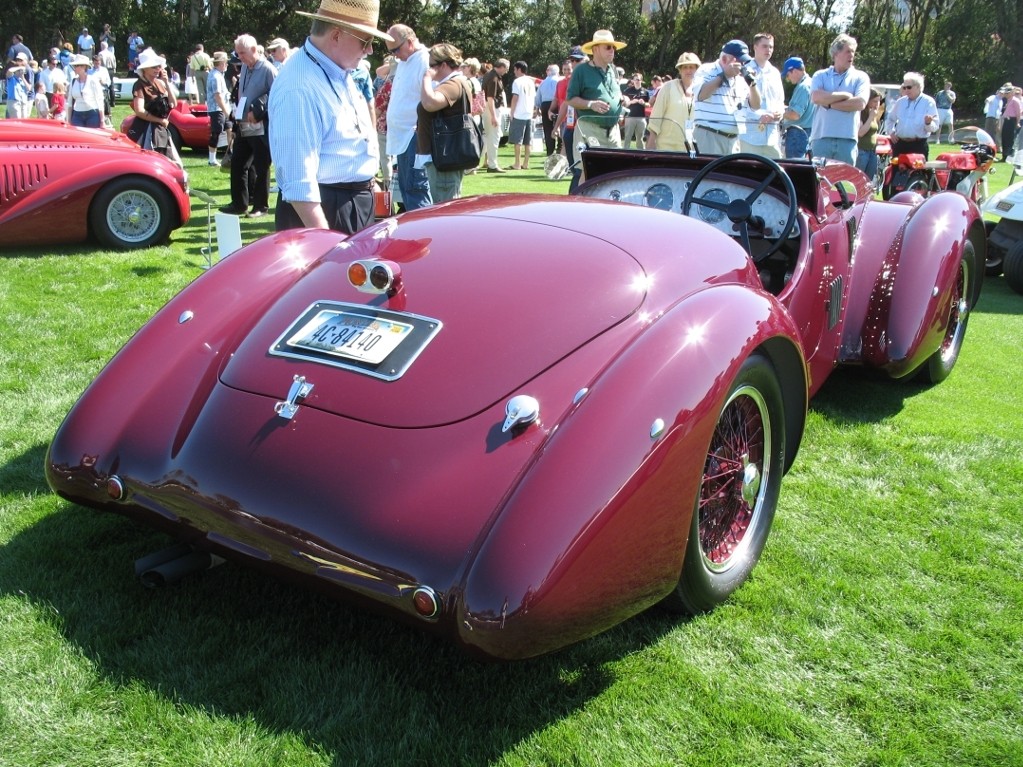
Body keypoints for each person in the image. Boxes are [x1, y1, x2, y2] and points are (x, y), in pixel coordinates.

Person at [268, 0, 388, 232]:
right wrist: (326, 245)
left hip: (345, 206)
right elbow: (298, 183)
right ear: (335, 35)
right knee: (330, 270)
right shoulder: (300, 87)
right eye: (366, 41)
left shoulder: (336, 71)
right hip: (324, 215)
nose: (370, 50)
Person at [221, 34, 276, 217]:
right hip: (243, 124)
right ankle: (239, 204)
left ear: (254, 49)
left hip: (260, 126)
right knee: (238, 164)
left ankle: (261, 207)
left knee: (261, 167)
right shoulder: (244, 67)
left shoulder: (268, 69)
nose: (240, 57)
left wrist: (260, 111)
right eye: (238, 53)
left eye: (242, 53)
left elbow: (277, 96)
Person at [417, 42, 473, 202]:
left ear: (443, 65)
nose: (429, 69)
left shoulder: (453, 84)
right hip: (444, 158)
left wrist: (427, 78)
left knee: (444, 210)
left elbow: (429, 103)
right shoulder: (453, 83)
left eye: (431, 65)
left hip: (444, 159)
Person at [385, 24, 432, 209]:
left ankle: (425, 236)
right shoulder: (405, 62)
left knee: (416, 193)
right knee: (407, 193)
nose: (395, 54)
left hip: (414, 137)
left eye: (396, 49)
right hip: (403, 139)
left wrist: (420, 128)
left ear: (410, 42)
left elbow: (432, 98)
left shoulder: (425, 60)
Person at [691, 39, 761, 155]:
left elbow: (756, 105)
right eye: (739, 61)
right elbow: (701, 95)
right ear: (724, 59)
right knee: (710, 173)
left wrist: (752, 84)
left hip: (733, 140)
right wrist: (724, 76)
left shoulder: (740, 78)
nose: (742, 65)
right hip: (710, 136)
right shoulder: (706, 69)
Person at [810, 34, 870, 165]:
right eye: (848, 51)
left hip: (847, 140)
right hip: (821, 138)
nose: (852, 55)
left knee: (845, 183)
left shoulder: (860, 77)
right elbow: (816, 97)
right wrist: (845, 95)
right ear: (836, 53)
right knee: (818, 182)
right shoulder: (820, 75)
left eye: (853, 51)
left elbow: (860, 103)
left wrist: (829, 104)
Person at [566, 29, 630, 151]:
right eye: (608, 47)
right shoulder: (581, 71)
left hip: (613, 133)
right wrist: (591, 104)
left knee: (617, 170)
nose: (612, 50)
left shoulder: (613, 69)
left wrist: (622, 99)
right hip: (590, 131)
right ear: (595, 49)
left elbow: (613, 92)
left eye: (613, 48)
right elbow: (570, 100)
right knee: (589, 169)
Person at [128, 49, 179, 162]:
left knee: (168, 161)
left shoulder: (160, 83)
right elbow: (139, 111)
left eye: (159, 67)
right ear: (145, 69)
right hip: (145, 129)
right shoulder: (139, 85)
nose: (158, 69)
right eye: (154, 67)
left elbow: (173, 104)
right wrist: (159, 120)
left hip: (160, 129)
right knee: (147, 161)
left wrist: (166, 82)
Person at [739, 33, 784, 158]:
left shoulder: (775, 73)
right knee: (748, 175)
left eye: (771, 47)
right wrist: (760, 115)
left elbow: (780, 100)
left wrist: (779, 113)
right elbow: (740, 103)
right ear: (755, 47)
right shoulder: (744, 70)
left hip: (772, 137)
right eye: (765, 46)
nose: (768, 50)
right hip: (750, 136)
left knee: (777, 173)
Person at [646, 52, 699, 152]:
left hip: (690, 150)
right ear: (680, 70)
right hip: (666, 148)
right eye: (685, 67)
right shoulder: (668, 87)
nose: (688, 70)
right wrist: (651, 145)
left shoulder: (701, 90)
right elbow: (656, 117)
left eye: (691, 67)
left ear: (696, 69)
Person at [552, 46, 586, 191]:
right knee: (576, 170)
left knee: (580, 171)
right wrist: (556, 126)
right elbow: (565, 104)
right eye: (572, 59)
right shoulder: (567, 81)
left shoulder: (589, 77)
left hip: (585, 131)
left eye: (577, 60)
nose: (574, 63)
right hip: (570, 128)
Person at [886, 72, 938, 159]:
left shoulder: (928, 102)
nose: (906, 90)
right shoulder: (900, 102)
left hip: (918, 145)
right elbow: (890, 119)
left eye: (909, 87)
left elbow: (934, 127)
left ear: (918, 86)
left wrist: (928, 123)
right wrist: (891, 132)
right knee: (896, 171)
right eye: (904, 87)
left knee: (917, 172)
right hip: (900, 144)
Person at [781, 57, 815, 159]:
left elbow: (795, 114)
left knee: (794, 167)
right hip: (806, 133)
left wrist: (778, 110)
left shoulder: (803, 87)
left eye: (788, 75)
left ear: (795, 71)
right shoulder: (811, 83)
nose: (788, 79)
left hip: (797, 134)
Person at [481, 57, 509, 172]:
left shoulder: (490, 75)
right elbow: (490, 98)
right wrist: (493, 116)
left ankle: (472, 164)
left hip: (489, 109)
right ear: (501, 67)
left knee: (487, 137)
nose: (507, 71)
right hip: (491, 109)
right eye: (506, 68)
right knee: (494, 137)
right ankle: (492, 165)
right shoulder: (494, 78)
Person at [508, 60, 536, 169]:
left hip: (519, 113)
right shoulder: (530, 82)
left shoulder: (517, 82)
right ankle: (526, 163)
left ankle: (517, 163)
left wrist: (512, 112)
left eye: (515, 69)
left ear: (519, 69)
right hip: (529, 113)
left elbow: (515, 97)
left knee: (517, 140)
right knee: (528, 141)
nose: (514, 72)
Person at [66, 54, 105, 127]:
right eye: (74, 66)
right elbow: (70, 102)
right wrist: (68, 120)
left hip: (92, 114)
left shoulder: (93, 80)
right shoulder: (73, 81)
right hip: (77, 115)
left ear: (84, 66)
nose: (75, 68)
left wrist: (102, 120)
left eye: (76, 66)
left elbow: (100, 100)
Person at [207, 51, 230, 166]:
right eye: (225, 62)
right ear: (221, 62)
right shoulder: (215, 76)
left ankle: (230, 154)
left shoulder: (218, 74)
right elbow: (218, 96)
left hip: (222, 107)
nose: (227, 64)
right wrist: (226, 111)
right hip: (217, 109)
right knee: (216, 133)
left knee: (230, 129)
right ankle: (212, 159)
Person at [855, 90, 883, 181]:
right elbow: (861, 133)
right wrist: (871, 117)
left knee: (868, 180)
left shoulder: (874, 113)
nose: (877, 104)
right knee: (859, 179)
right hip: (862, 151)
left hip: (872, 151)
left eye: (879, 101)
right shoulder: (861, 113)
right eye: (875, 101)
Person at [536, 63, 561, 155]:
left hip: (545, 104)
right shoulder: (559, 81)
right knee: (559, 126)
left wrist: (537, 107)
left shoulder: (543, 83)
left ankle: (550, 151)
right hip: (557, 104)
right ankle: (560, 148)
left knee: (547, 128)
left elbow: (538, 96)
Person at [622, 73, 649, 149]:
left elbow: (649, 104)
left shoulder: (645, 91)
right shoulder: (627, 91)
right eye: (635, 79)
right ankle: (625, 154)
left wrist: (643, 103)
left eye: (638, 79)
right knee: (627, 138)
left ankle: (641, 156)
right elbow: (623, 104)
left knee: (640, 139)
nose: (637, 81)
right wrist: (631, 102)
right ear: (633, 81)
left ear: (641, 80)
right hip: (630, 117)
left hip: (641, 118)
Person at [88, 53, 113, 126]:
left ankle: (107, 121)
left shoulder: (104, 70)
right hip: (92, 92)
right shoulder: (89, 71)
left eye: (98, 62)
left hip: (102, 90)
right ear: (93, 62)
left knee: (105, 106)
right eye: (96, 62)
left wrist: (103, 82)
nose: (97, 64)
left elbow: (109, 82)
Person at [1001, 86, 1023, 163]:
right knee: (1004, 137)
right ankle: (1004, 156)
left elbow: (1018, 113)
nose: (1006, 94)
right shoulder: (1008, 100)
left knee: (1010, 139)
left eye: (1007, 93)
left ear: (1011, 93)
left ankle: (1008, 157)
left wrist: (1017, 123)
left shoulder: (1015, 101)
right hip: (1007, 120)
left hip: (1012, 121)